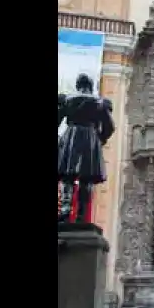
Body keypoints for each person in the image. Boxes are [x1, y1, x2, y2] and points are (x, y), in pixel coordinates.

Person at [57, 74, 114, 223]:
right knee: (86, 178)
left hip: (71, 136)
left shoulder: (67, 100)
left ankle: (65, 210)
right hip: (90, 138)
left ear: (77, 86)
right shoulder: (99, 102)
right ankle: (81, 216)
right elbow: (109, 126)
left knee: (67, 176)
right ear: (91, 86)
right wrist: (101, 139)